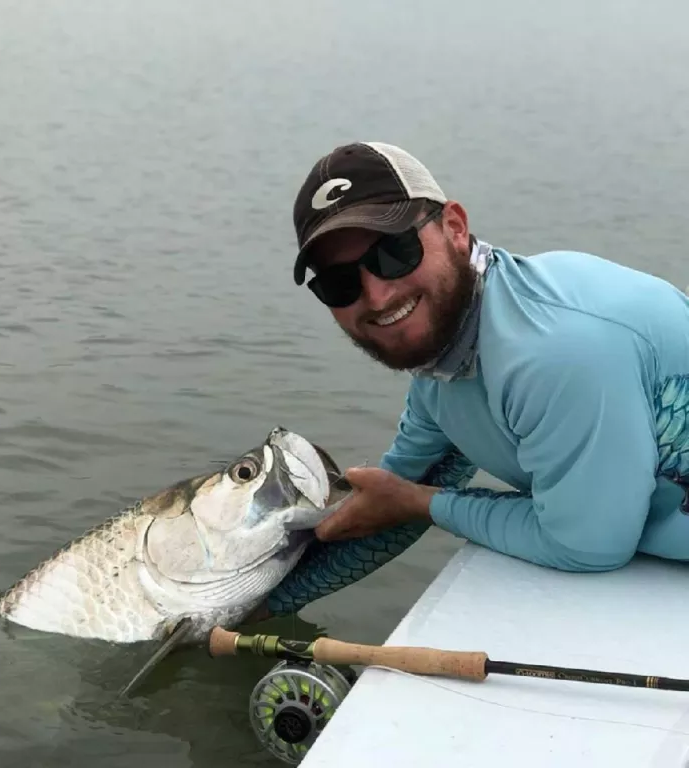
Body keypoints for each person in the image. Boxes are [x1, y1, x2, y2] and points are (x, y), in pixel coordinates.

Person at [262, 140, 689, 618]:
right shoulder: (443, 365)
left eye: (394, 253)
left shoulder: (557, 353)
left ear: (455, 228)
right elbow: (392, 485)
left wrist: (421, 503)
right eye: (338, 283)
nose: (377, 296)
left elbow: (587, 547)